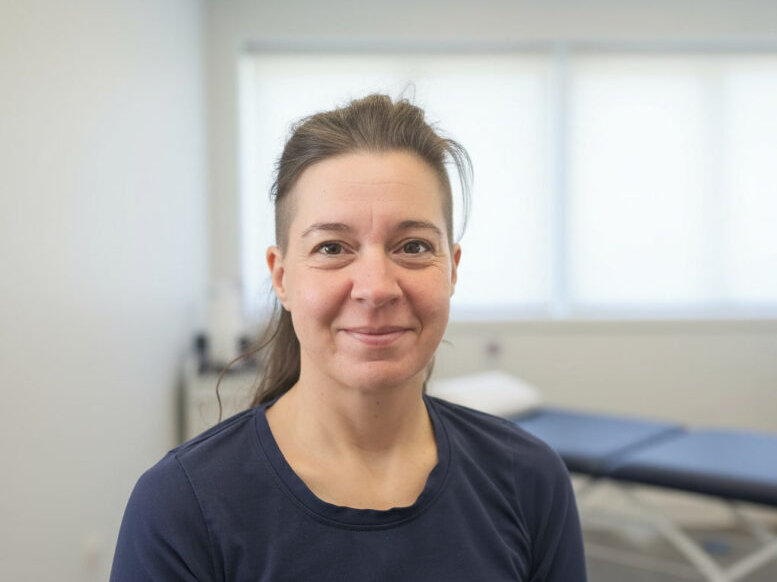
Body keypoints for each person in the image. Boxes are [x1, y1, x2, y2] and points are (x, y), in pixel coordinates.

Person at [110, 94, 587, 581]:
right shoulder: (182, 507)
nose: (376, 288)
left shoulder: (529, 481)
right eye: (332, 247)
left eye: (414, 246)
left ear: (452, 270)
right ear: (282, 277)